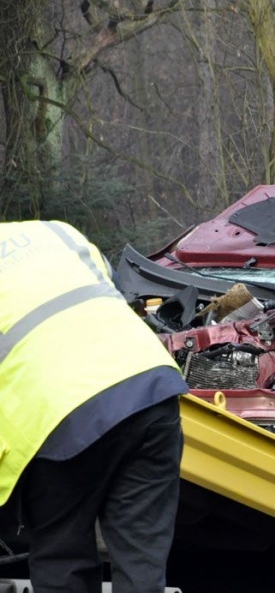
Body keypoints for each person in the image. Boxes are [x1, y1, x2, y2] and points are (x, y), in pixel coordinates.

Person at [0, 220, 188, 593]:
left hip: (59, 409)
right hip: (149, 385)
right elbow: (114, 290)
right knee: (141, 560)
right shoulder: (54, 231)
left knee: (62, 557)